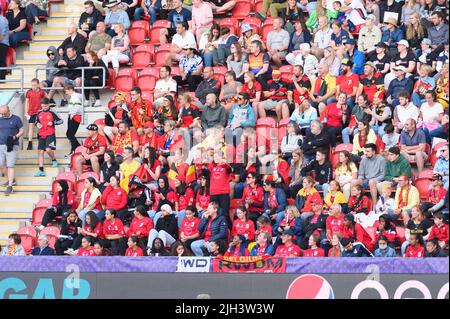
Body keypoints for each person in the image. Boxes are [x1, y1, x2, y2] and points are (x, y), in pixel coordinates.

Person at [33, 98, 62, 177]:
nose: (44, 108)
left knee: (48, 150)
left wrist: (52, 122)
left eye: (45, 106)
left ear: (49, 104)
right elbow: (36, 121)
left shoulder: (52, 112)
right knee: (40, 152)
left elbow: (61, 120)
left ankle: (54, 160)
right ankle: (41, 170)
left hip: (50, 133)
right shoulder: (39, 112)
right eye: (42, 106)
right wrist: (37, 124)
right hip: (41, 134)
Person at [24, 79, 46, 150]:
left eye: (35, 85)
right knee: (31, 126)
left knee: (41, 126)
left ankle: (41, 139)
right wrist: (26, 112)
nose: (33, 87)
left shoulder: (42, 92)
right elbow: (26, 102)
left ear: (38, 84)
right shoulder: (29, 92)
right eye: (32, 85)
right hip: (31, 112)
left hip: (40, 112)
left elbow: (46, 100)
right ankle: (29, 142)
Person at [64, 84, 83, 158]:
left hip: (74, 116)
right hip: (74, 116)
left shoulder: (74, 97)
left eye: (66, 91)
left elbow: (77, 106)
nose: (66, 93)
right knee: (70, 134)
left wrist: (72, 114)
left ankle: (75, 149)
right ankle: (77, 147)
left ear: (70, 90)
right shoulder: (75, 96)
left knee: (70, 134)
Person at [0, 14, 10, 81]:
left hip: (2, 43)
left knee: (1, 61)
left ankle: (2, 79)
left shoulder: (2, 20)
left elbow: (1, 36)